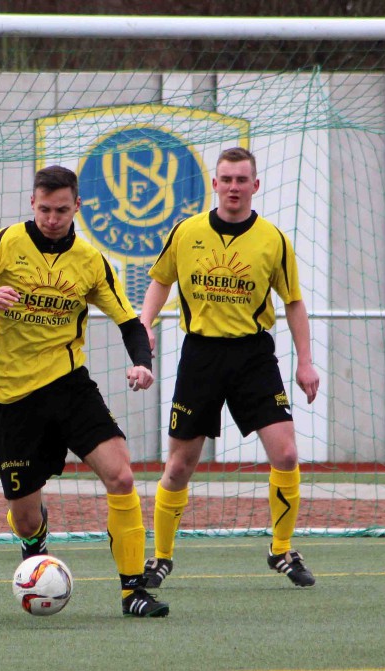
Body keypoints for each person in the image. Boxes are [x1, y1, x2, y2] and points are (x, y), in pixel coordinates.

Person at [0, 165, 169, 618]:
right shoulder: (2, 246)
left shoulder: (91, 260)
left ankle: (133, 590)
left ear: (76, 206)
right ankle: (35, 548)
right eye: (44, 209)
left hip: (69, 386)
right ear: (32, 204)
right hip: (12, 397)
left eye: (62, 210)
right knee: (25, 515)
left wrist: (142, 362)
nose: (52, 218)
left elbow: (128, 321)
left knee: (121, 476)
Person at [137, 146, 321, 589]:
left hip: (253, 357)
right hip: (200, 355)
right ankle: (161, 556)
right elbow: (160, 280)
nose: (234, 187)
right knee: (179, 466)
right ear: (214, 184)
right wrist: (143, 327)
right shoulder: (187, 232)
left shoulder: (274, 239)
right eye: (226, 179)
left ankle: (281, 549)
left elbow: (293, 302)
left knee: (288, 454)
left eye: (242, 180)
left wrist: (306, 362)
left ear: (255, 186)